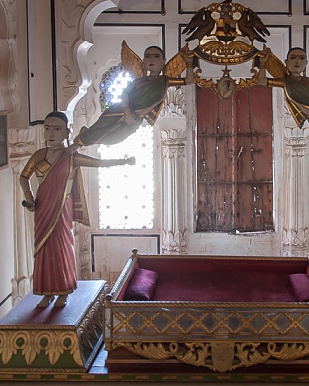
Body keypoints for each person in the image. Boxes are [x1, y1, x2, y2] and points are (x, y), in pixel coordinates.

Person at [20, 111, 135, 308]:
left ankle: (63, 290)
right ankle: (47, 293)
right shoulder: (39, 155)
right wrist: (30, 200)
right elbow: (23, 177)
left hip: (62, 210)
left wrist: (123, 161)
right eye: (47, 128)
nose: (51, 134)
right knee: (43, 250)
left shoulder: (71, 157)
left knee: (62, 248)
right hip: (42, 210)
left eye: (56, 129)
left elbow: (98, 164)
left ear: (67, 132)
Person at [68, 43, 194, 151]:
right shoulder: (139, 81)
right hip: (120, 110)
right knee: (100, 129)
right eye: (148, 56)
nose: (152, 60)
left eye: (156, 56)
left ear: (163, 61)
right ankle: (78, 143)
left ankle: (84, 137)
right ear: (143, 61)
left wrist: (189, 63)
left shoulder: (165, 81)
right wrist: (127, 113)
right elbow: (125, 94)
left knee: (115, 138)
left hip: (137, 118)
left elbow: (188, 80)